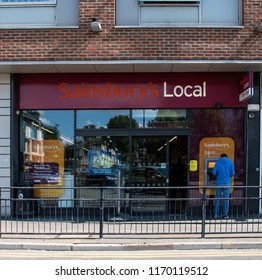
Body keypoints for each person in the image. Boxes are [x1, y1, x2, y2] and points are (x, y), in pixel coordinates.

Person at [212, 153, 235, 219]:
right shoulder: (230, 163)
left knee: (217, 198)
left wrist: (218, 176)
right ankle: (225, 214)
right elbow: (232, 173)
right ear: (226, 157)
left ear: (220, 157)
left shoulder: (217, 162)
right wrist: (227, 176)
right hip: (227, 182)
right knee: (226, 198)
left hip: (219, 182)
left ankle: (216, 214)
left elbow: (213, 172)